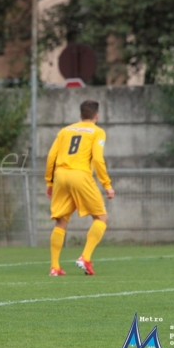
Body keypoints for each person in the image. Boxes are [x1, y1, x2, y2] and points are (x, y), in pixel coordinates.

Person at [45, 100, 115, 276]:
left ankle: (54, 267)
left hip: (61, 175)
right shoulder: (97, 132)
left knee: (61, 220)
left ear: (80, 115)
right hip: (80, 174)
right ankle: (85, 257)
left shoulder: (65, 131)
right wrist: (107, 185)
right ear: (96, 116)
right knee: (101, 217)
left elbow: (51, 156)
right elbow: (98, 159)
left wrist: (49, 181)